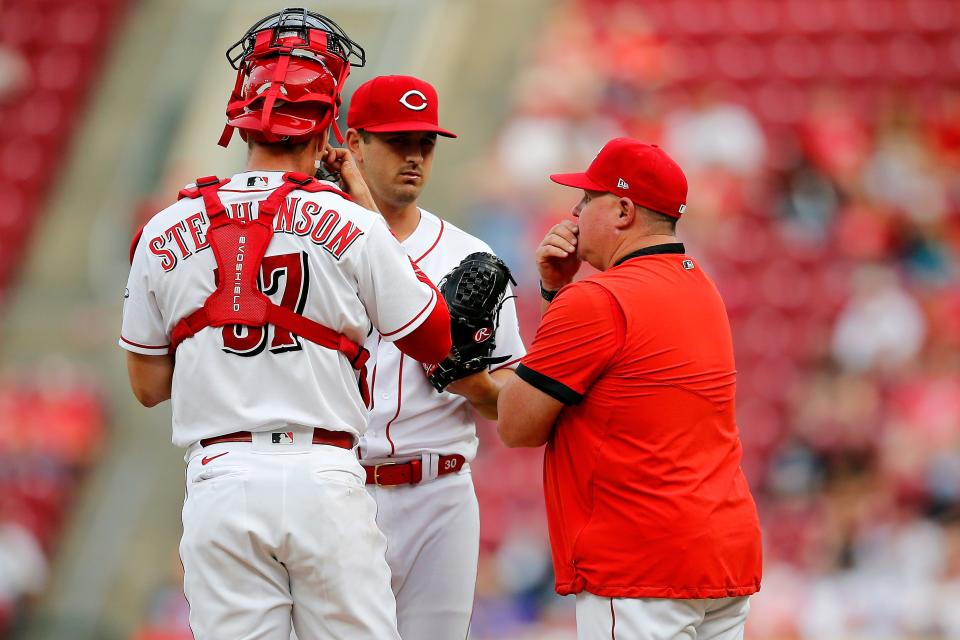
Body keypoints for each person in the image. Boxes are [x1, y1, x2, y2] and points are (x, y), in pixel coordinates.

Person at [119, 10, 452, 640]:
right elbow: (433, 339)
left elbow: (146, 385)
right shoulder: (351, 220)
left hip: (219, 478)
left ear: (240, 112)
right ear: (329, 123)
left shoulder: (163, 226)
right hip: (321, 474)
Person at [497, 138, 763, 639]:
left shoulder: (597, 299)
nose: (573, 214)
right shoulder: (703, 287)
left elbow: (517, 426)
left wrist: (556, 296)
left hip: (642, 565)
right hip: (723, 554)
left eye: (585, 200)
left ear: (622, 210)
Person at [343, 75, 525, 639]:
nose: (415, 157)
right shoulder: (313, 244)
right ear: (354, 145)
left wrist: (464, 376)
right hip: (337, 488)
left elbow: (509, 401)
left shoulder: (470, 254)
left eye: (426, 143)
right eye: (398, 142)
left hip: (439, 492)